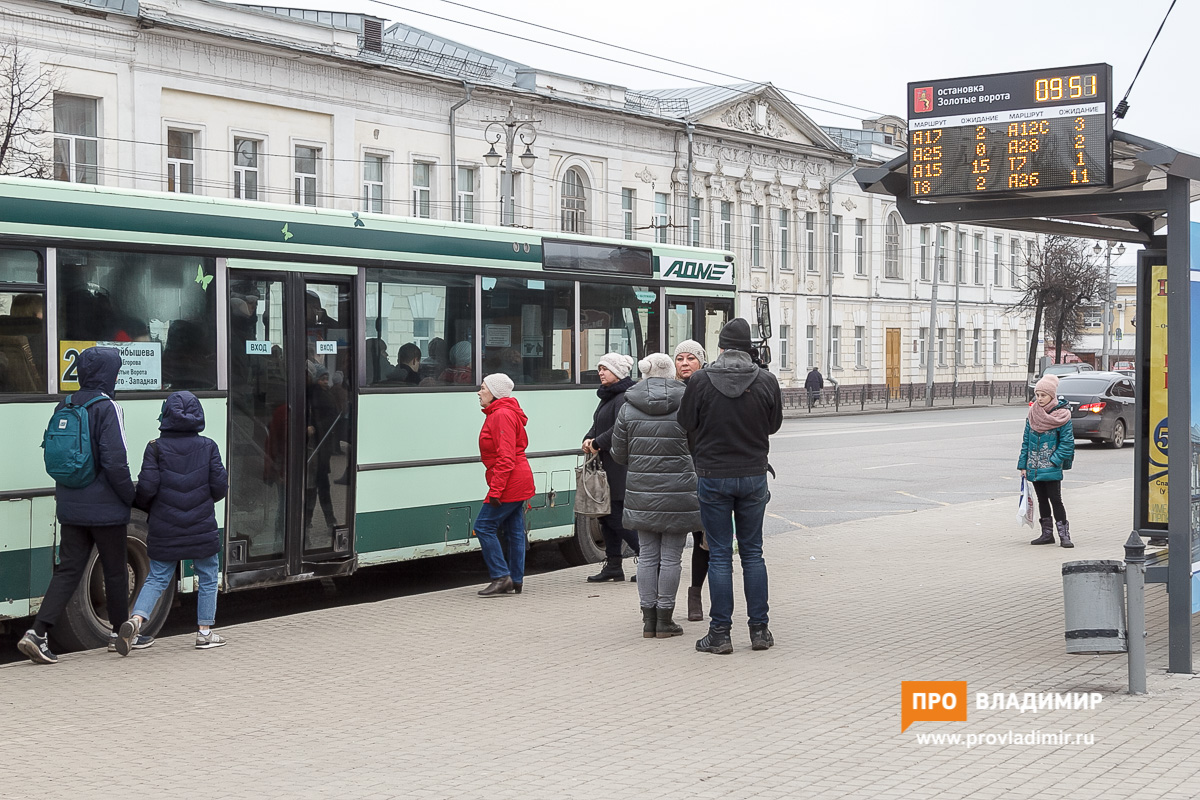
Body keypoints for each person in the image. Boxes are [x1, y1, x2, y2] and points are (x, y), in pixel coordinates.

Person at [17, 347, 134, 664]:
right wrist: (131, 496)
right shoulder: (107, 407)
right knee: (115, 571)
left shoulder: (64, 404)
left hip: (70, 503)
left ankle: (37, 633)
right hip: (106, 507)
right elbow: (115, 461)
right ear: (108, 374)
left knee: (68, 570)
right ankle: (118, 635)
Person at [679, 319, 782, 655]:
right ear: (749, 348)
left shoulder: (700, 380)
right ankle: (759, 631)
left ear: (721, 347)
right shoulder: (766, 380)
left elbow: (685, 423)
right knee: (753, 553)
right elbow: (774, 425)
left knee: (720, 554)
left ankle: (720, 633)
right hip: (753, 474)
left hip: (713, 474)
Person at [116, 391, 230, 654]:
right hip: (201, 524)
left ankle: (136, 621)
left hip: (165, 525)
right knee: (208, 576)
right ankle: (204, 632)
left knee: (157, 577)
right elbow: (219, 487)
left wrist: (154, 507)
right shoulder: (209, 446)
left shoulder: (155, 447)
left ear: (165, 414)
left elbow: (147, 488)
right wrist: (203, 501)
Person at [611, 353, 702, 639]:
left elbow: (619, 454)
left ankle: (648, 621)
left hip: (642, 493)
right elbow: (698, 448)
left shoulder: (628, 407)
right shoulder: (687, 404)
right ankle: (665, 619)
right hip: (679, 494)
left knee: (648, 556)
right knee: (672, 558)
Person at [474, 373, 536, 596]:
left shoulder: (500, 415)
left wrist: (495, 491)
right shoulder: (504, 412)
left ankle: (501, 576)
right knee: (514, 530)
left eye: (483, 388)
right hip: (517, 480)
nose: (479, 392)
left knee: (483, 526)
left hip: (510, 482)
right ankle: (516, 579)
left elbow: (506, 458)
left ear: (494, 392)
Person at [582, 352, 640, 582]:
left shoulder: (624, 397)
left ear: (617, 372)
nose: (600, 372)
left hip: (618, 466)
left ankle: (646, 557)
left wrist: (596, 442)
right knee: (605, 516)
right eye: (599, 368)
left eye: (605, 368)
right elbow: (598, 424)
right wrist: (588, 437)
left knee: (616, 516)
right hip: (605, 464)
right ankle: (613, 564)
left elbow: (620, 429)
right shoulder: (607, 396)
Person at [673, 339, 709, 622]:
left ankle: (695, 595)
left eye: (691, 359)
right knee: (670, 542)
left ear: (701, 361)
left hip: (701, 474)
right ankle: (661, 604)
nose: (685, 363)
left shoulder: (710, 390)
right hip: (672, 476)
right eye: (680, 359)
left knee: (702, 539)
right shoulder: (669, 393)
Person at [1020, 373, 1076, 548]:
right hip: (1034, 466)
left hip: (1051, 466)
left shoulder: (1062, 416)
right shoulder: (1033, 414)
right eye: (1037, 395)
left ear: (1052, 395)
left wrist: (1053, 460)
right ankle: (1046, 534)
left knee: (1055, 499)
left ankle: (1064, 535)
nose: (1039, 399)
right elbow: (1026, 441)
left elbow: (1067, 443)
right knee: (1042, 499)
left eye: (1043, 395)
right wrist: (1023, 465)